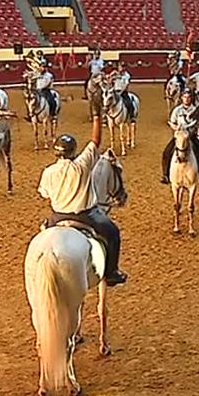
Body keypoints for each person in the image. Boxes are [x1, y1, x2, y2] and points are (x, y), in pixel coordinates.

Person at [38, 120, 128, 287]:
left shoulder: (48, 172)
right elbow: (95, 141)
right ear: (73, 151)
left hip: (57, 217)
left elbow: (47, 197)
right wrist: (97, 117)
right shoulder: (81, 165)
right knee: (113, 233)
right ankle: (111, 272)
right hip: (86, 216)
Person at [160, 89, 199, 186]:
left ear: (191, 98)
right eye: (184, 97)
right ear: (181, 98)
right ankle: (165, 175)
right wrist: (174, 127)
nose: (186, 99)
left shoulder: (195, 111)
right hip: (179, 137)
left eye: (188, 97)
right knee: (167, 152)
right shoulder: (177, 110)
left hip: (191, 136)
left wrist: (198, 126)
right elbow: (172, 122)